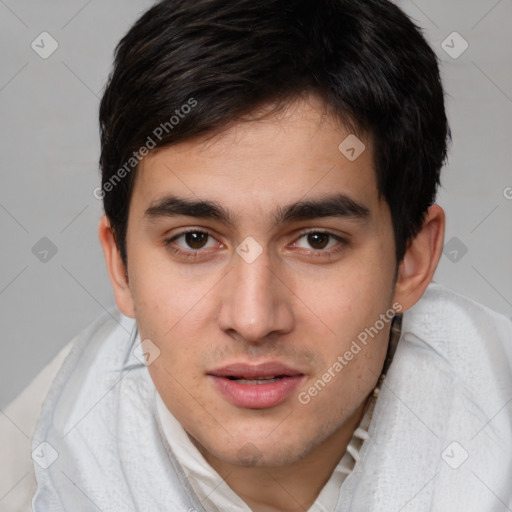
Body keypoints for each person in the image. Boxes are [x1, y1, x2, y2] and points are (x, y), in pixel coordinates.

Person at [4, 0, 512, 510]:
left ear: (412, 260)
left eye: (317, 240)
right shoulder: (30, 471)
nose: (252, 319)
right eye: (195, 240)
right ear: (121, 266)